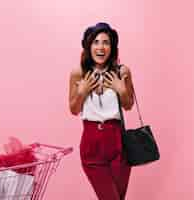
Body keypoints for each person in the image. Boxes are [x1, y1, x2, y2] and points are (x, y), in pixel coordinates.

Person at [69, 22, 135, 200]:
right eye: (96, 42)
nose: (100, 47)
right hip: (92, 144)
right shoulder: (79, 73)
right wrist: (82, 92)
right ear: (89, 46)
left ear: (112, 47)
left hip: (118, 143)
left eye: (106, 42)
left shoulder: (122, 71)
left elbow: (129, 105)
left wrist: (120, 89)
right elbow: (73, 109)